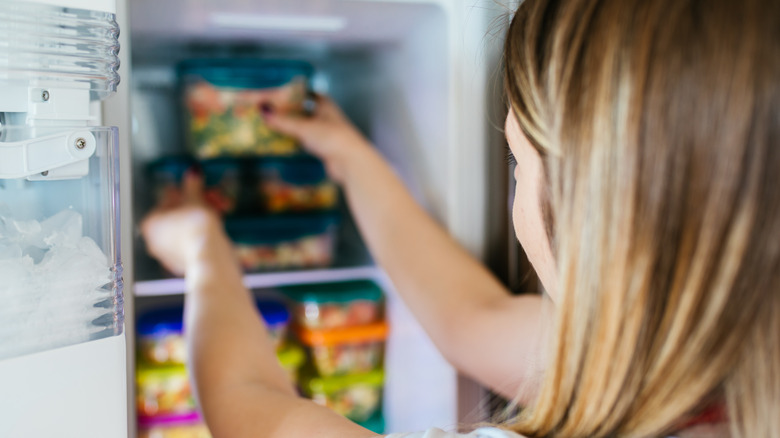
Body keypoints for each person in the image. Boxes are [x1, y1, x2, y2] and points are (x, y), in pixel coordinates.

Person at [140, 0, 780, 436]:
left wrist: (203, 252)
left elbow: (252, 410)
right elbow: (472, 319)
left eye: (517, 161)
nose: (515, 182)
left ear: (591, 214)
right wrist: (351, 156)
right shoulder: (720, 370)